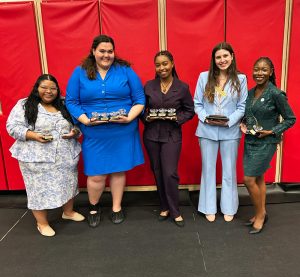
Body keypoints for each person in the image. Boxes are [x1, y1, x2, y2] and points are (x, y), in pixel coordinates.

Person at [66, 34, 145, 227]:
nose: (106, 55)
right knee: (96, 174)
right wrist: (85, 120)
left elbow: (140, 99)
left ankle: (116, 206)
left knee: (118, 171)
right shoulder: (80, 72)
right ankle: (94, 206)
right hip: (94, 132)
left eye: (110, 51)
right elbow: (71, 101)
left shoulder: (125, 70)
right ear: (93, 51)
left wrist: (130, 117)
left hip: (123, 130)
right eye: (102, 51)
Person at [6, 74, 84, 237]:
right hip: (36, 157)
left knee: (68, 184)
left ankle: (68, 212)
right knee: (38, 190)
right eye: (44, 87)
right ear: (37, 88)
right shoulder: (25, 105)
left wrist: (74, 132)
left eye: (53, 88)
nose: (48, 91)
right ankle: (42, 223)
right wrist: (33, 135)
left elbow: (78, 125)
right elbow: (12, 126)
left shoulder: (64, 104)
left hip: (65, 155)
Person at [240, 57, 296, 234]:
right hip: (251, 140)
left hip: (267, 142)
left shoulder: (276, 94)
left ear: (271, 72)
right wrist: (244, 123)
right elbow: (249, 114)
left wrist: (272, 131)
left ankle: (260, 216)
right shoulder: (250, 92)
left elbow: (291, 119)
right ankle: (261, 211)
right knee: (258, 178)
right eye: (256, 69)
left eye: (264, 70)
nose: (259, 73)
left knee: (248, 180)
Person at [194, 42, 248, 222]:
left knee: (229, 171)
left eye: (225, 56)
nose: (222, 60)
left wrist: (229, 121)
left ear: (232, 56)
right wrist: (206, 118)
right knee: (208, 170)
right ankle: (208, 207)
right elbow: (197, 103)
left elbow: (242, 107)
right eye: (218, 57)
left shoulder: (241, 79)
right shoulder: (204, 77)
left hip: (230, 132)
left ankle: (229, 207)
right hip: (207, 130)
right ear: (213, 59)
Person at [142, 50, 194, 227]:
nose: (161, 67)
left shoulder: (183, 87)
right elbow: (141, 109)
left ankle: (175, 210)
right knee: (157, 171)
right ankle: (164, 206)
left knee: (170, 172)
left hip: (172, 135)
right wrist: (146, 118)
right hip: (151, 135)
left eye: (165, 63)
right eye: (158, 64)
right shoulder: (149, 86)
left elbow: (190, 110)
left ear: (172, 63)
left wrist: (177, 119)